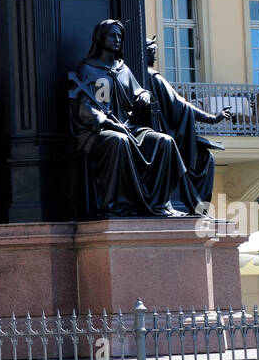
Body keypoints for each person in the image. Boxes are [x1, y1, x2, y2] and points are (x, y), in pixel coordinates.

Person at [70, 19, 187, 217]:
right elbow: (86, 109)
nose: (117, 40)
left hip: (129, 126)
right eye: (112, 35)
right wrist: (108, 123)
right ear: (101, 38)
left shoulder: (123, 69)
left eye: (119, 36)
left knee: (164, 142)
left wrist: (145, 95)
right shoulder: (89, 69)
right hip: (97, 131)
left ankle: (160, 204)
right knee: (119, 141)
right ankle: (117, 205)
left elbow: (138, 92)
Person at [144, 37, 232, 214]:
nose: (155, 56)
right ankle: (196, 207)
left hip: (152, 135)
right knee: (205, 158)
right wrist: (212, 118)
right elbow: (182, 105)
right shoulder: (153, 77)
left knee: (203, 157)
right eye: (152, 52)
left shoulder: (138, 75)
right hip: (159, 138)